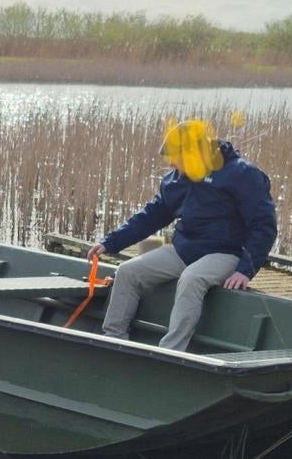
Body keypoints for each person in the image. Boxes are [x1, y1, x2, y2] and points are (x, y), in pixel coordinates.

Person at [87, 120, 277, 352]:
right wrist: (110, 242)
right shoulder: (177, 179)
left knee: (191, 278)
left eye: (178, 159)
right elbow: (152, 215)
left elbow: (264, 225)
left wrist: (245, 270)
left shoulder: (242, 174)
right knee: (127, 272)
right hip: (183, 250)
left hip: (226, 253)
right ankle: (113, 340)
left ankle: (170, 352)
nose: (174, 165)